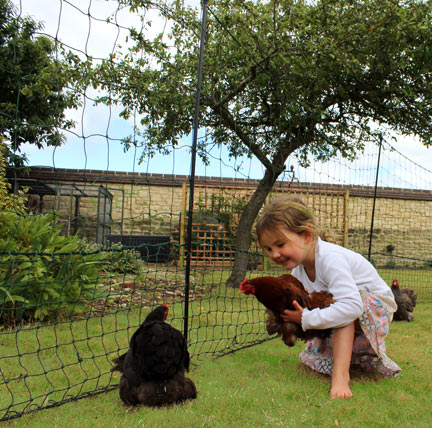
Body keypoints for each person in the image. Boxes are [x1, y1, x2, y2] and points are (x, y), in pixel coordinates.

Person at [256, 196, 401, 399]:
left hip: (375, 307)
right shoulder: (298, 272)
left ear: (306, 235)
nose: (274, 254)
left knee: (340, 309)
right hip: (352, 306)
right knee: (327, 307)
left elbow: (351, 307)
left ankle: (341, 377)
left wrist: (307, 319)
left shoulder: (330, 259)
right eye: (269, 249)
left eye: (280, 244)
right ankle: (346, 359)